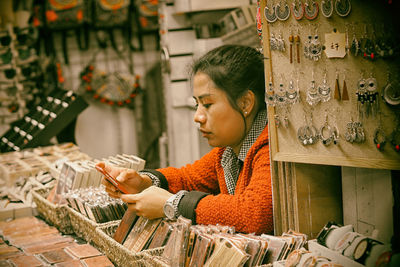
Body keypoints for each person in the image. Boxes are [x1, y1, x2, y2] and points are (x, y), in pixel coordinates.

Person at [97, 44, 273, 235]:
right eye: (197, 104)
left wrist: (171, 204)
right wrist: (142, 182)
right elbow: (188, 178)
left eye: (208, 104)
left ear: (245, 103)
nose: (197, 116)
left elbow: (254, 214)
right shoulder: (228, 152)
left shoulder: (269, 148)